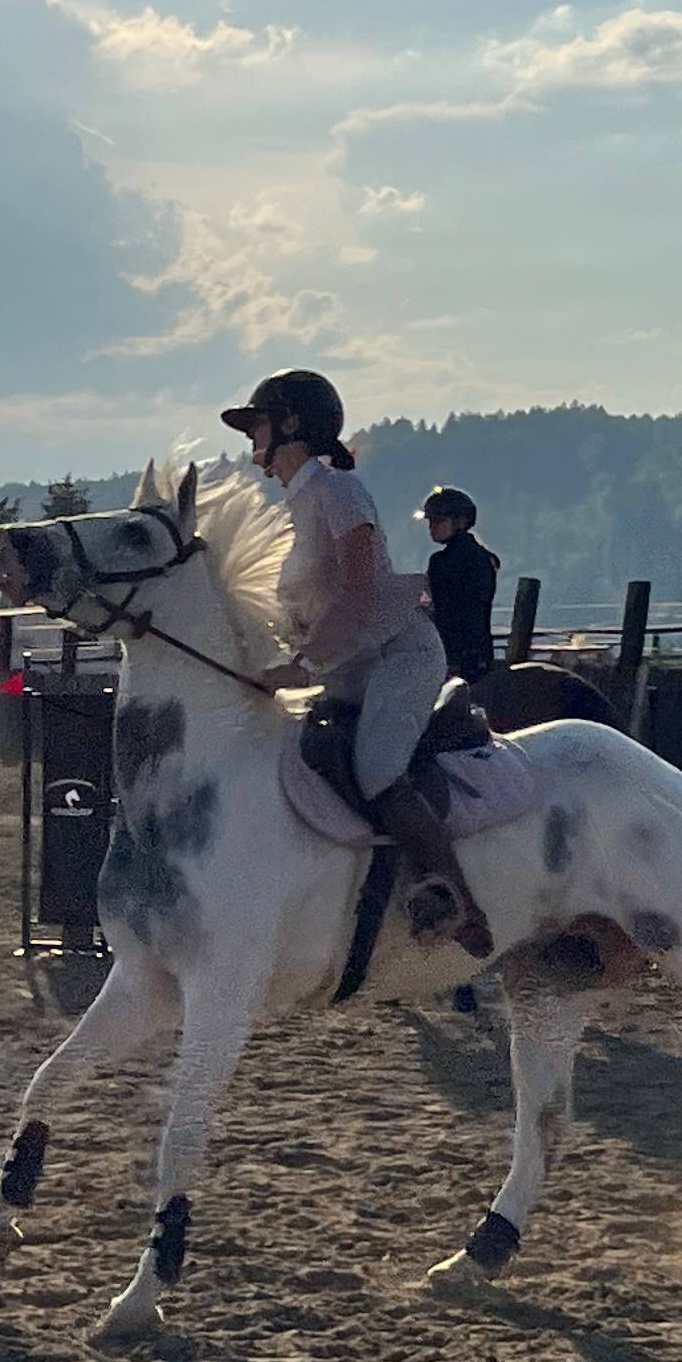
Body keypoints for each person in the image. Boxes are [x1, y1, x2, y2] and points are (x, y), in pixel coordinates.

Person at [223, 368, 494, 957]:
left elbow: (361, 591)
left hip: (400, 655)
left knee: (374, 771)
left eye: (258, 425)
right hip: (350, 665)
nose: (251, 440)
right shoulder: (301, 503)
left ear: (291, 426)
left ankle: (455, 899)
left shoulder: (339, 493)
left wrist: (303, 663)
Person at [419, 486, 500, 683]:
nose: (432, 527)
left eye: (439, 520)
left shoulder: (441, 561)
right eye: (430, 521)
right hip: (480, 652)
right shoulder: (485, 557)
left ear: (460, 521)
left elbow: (441, 610)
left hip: (451, 654)